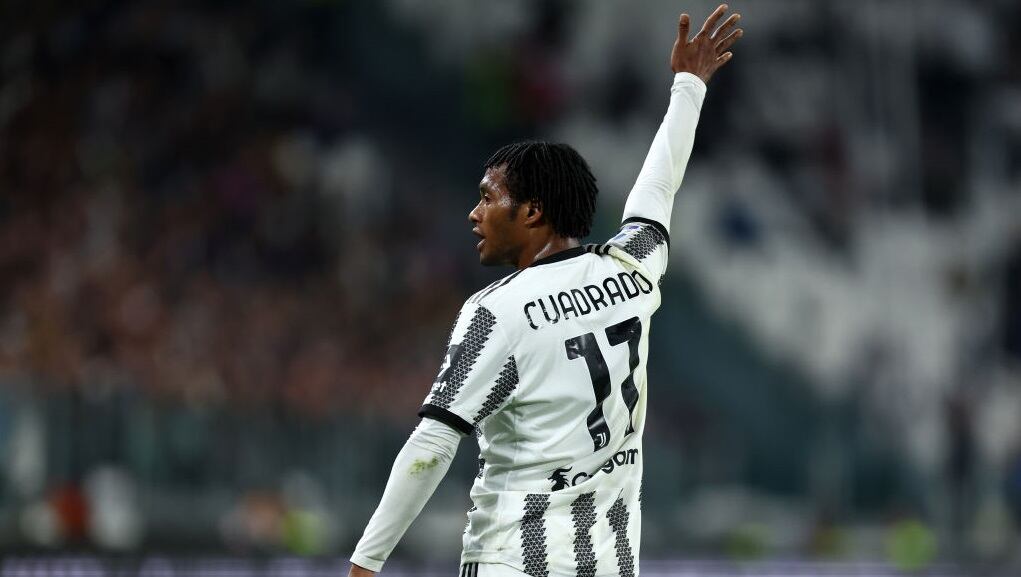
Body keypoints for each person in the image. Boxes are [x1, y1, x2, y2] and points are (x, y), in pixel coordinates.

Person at [349, 5, 742, 576]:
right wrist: (688, 85)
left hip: (514, 562)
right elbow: (659, 187)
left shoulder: (498, 312)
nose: (474, 213)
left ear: (533, 211)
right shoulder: (634, 272)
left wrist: (366, 564)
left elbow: (433, 444)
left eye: (488, 197)